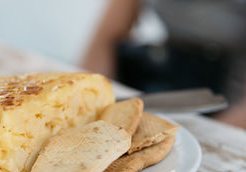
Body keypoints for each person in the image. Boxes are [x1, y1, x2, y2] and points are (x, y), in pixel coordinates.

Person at [82, 0, 246, 128]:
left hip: (226, 101)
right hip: (163, 78)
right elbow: (105, 41)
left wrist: (207, 138)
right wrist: (90, 106)